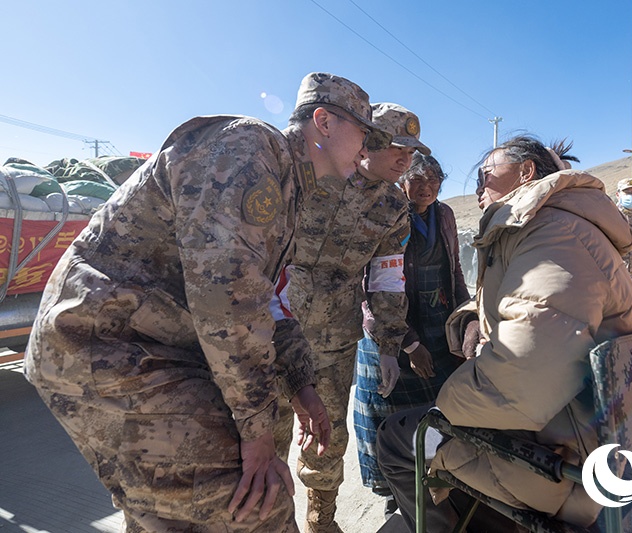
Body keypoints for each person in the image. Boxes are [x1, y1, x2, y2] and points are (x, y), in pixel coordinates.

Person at [23, 72, 391, 532]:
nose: (369, 149)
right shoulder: (251, 150)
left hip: (149, 350)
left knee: (175, 513)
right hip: (104, 345)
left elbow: (270, 299)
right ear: (324, 122)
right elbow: (227, 301)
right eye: (365, 133)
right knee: (257, 506)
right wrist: (256, 431)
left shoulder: (289, 187)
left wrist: (301, 383)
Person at [376, 136, 632, 531]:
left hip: (555, 456)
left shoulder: (552, 236)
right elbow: (527, 304)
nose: (479, 187)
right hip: (573, 426)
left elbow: (522, 378)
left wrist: (445, 404)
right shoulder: (556, 227)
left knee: (398, 437)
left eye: (486, 174)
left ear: (526, 173)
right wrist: (472, 318)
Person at [276, 102, 429, 532]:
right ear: (369, 141)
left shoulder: (393, 206)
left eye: (412, 152)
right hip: (271, 329)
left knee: (326, 434)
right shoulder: (311, 177)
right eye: (398, 148)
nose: (406, 159)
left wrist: (388, 346)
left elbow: (386, 278)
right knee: (264, 431)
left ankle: (321, 518)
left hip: (334, 337)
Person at [353, 152, 470, 516]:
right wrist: (407, 341)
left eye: (435, 182)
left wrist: (467, 319)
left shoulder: (445, 216)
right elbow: (369, 284)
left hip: (438, 322)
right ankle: (394, 488)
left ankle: (438, 474)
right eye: (418, 180)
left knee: (439, 407)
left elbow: (456, 273)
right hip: (391, 326)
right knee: (387, 411)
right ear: (403, 181)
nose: (427, 189)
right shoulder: (385, 212)